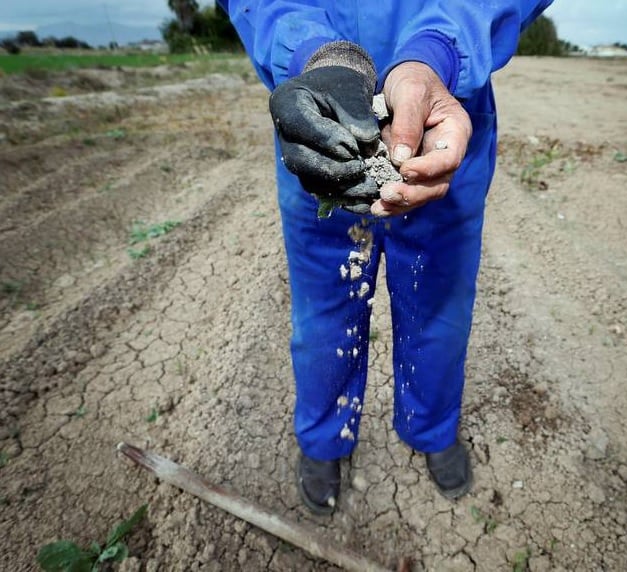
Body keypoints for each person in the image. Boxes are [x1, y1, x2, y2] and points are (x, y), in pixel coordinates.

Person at [217, 0, 554, 514]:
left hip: (446, 110)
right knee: (323, 311)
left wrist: (435, 51)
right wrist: (319, 54)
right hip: (319, 122)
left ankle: (431, 427)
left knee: (438, 306)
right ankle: (325, 440)